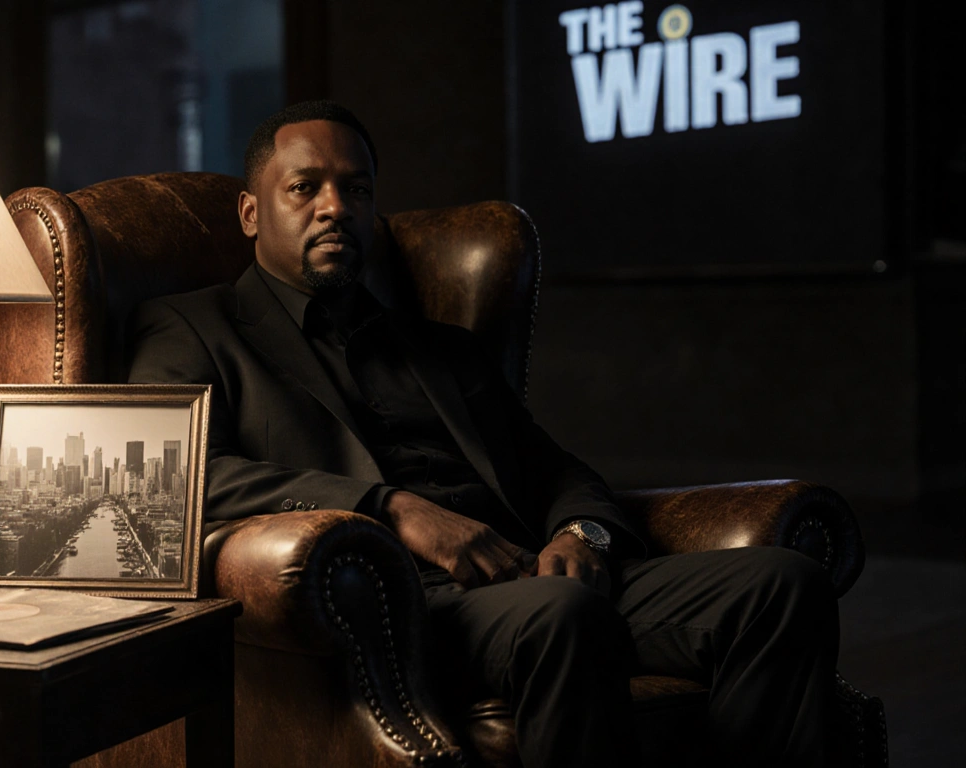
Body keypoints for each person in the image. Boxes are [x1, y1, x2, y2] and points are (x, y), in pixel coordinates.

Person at [127, 100, 837, 767]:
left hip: (530, 575)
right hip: (394, 603)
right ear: (252, 212)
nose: (335, 208)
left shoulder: (441, 348)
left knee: (781, 584)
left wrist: (581, 535)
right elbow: (177, 474)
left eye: (357, 189)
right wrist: (393, 509)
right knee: (562, 615)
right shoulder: (193, 326)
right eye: (304, 188)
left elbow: (554, 467)